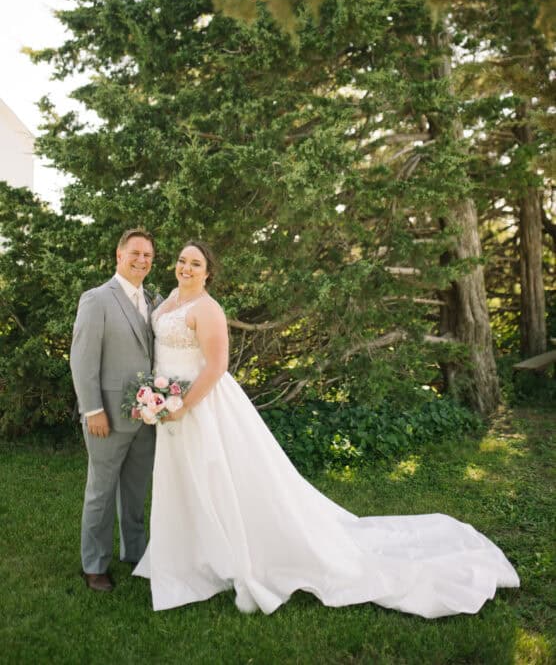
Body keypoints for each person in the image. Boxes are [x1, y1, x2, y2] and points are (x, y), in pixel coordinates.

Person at [133, 241, 519, 617]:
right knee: (184, 479)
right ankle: (188, 554)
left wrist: (183, 404)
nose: (186, 268)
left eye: (195, 264)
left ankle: (224, 556)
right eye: (183, 260)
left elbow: (217, 367)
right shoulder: (170, 298)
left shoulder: (208, 309)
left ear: (209, 272)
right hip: (169, 402)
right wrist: (158, 397)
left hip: (199, 405)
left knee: (216, 477)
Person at [71, 228, 158, 592]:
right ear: (119, 256)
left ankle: (136, 553)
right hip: (106, 414)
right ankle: (94, 565)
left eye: (148, 256)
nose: (141, 260)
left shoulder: (154, 299)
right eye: (135, 253)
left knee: (136, 492)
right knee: (101, 492)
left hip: (147, 416)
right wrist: (92, 410)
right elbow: (82, 359)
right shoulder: (97, 300)